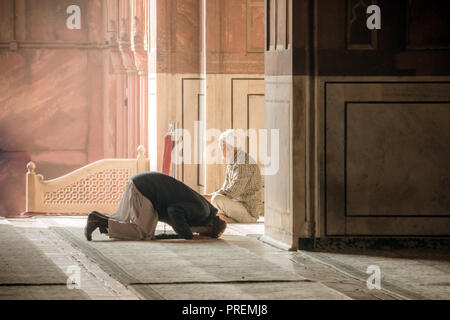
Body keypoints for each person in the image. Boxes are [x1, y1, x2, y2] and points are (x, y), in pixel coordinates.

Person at [84, 172, 227, 241]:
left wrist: (183, 234)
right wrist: (189, 236)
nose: (199, 233)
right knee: (143, 233)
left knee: (133, 225)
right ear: (209, 227)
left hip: (143, 184)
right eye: (203, 233)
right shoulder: (202, 213)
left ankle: (101, 220)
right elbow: (174, 211)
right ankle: (99, 221)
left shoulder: (205, 210)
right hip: (146, 190)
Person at [204, 129, 263, 223]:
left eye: (221, 147)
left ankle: (238, 220)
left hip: (247, 211)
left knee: (216, 199)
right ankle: (228, 220)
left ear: (229, 148)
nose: (220, 150)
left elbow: (232, 192)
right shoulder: (232, 161)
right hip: (236, 206)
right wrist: (207, 196)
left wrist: (209, 197)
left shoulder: (242, 162)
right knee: (211, 208)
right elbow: (225, 188)